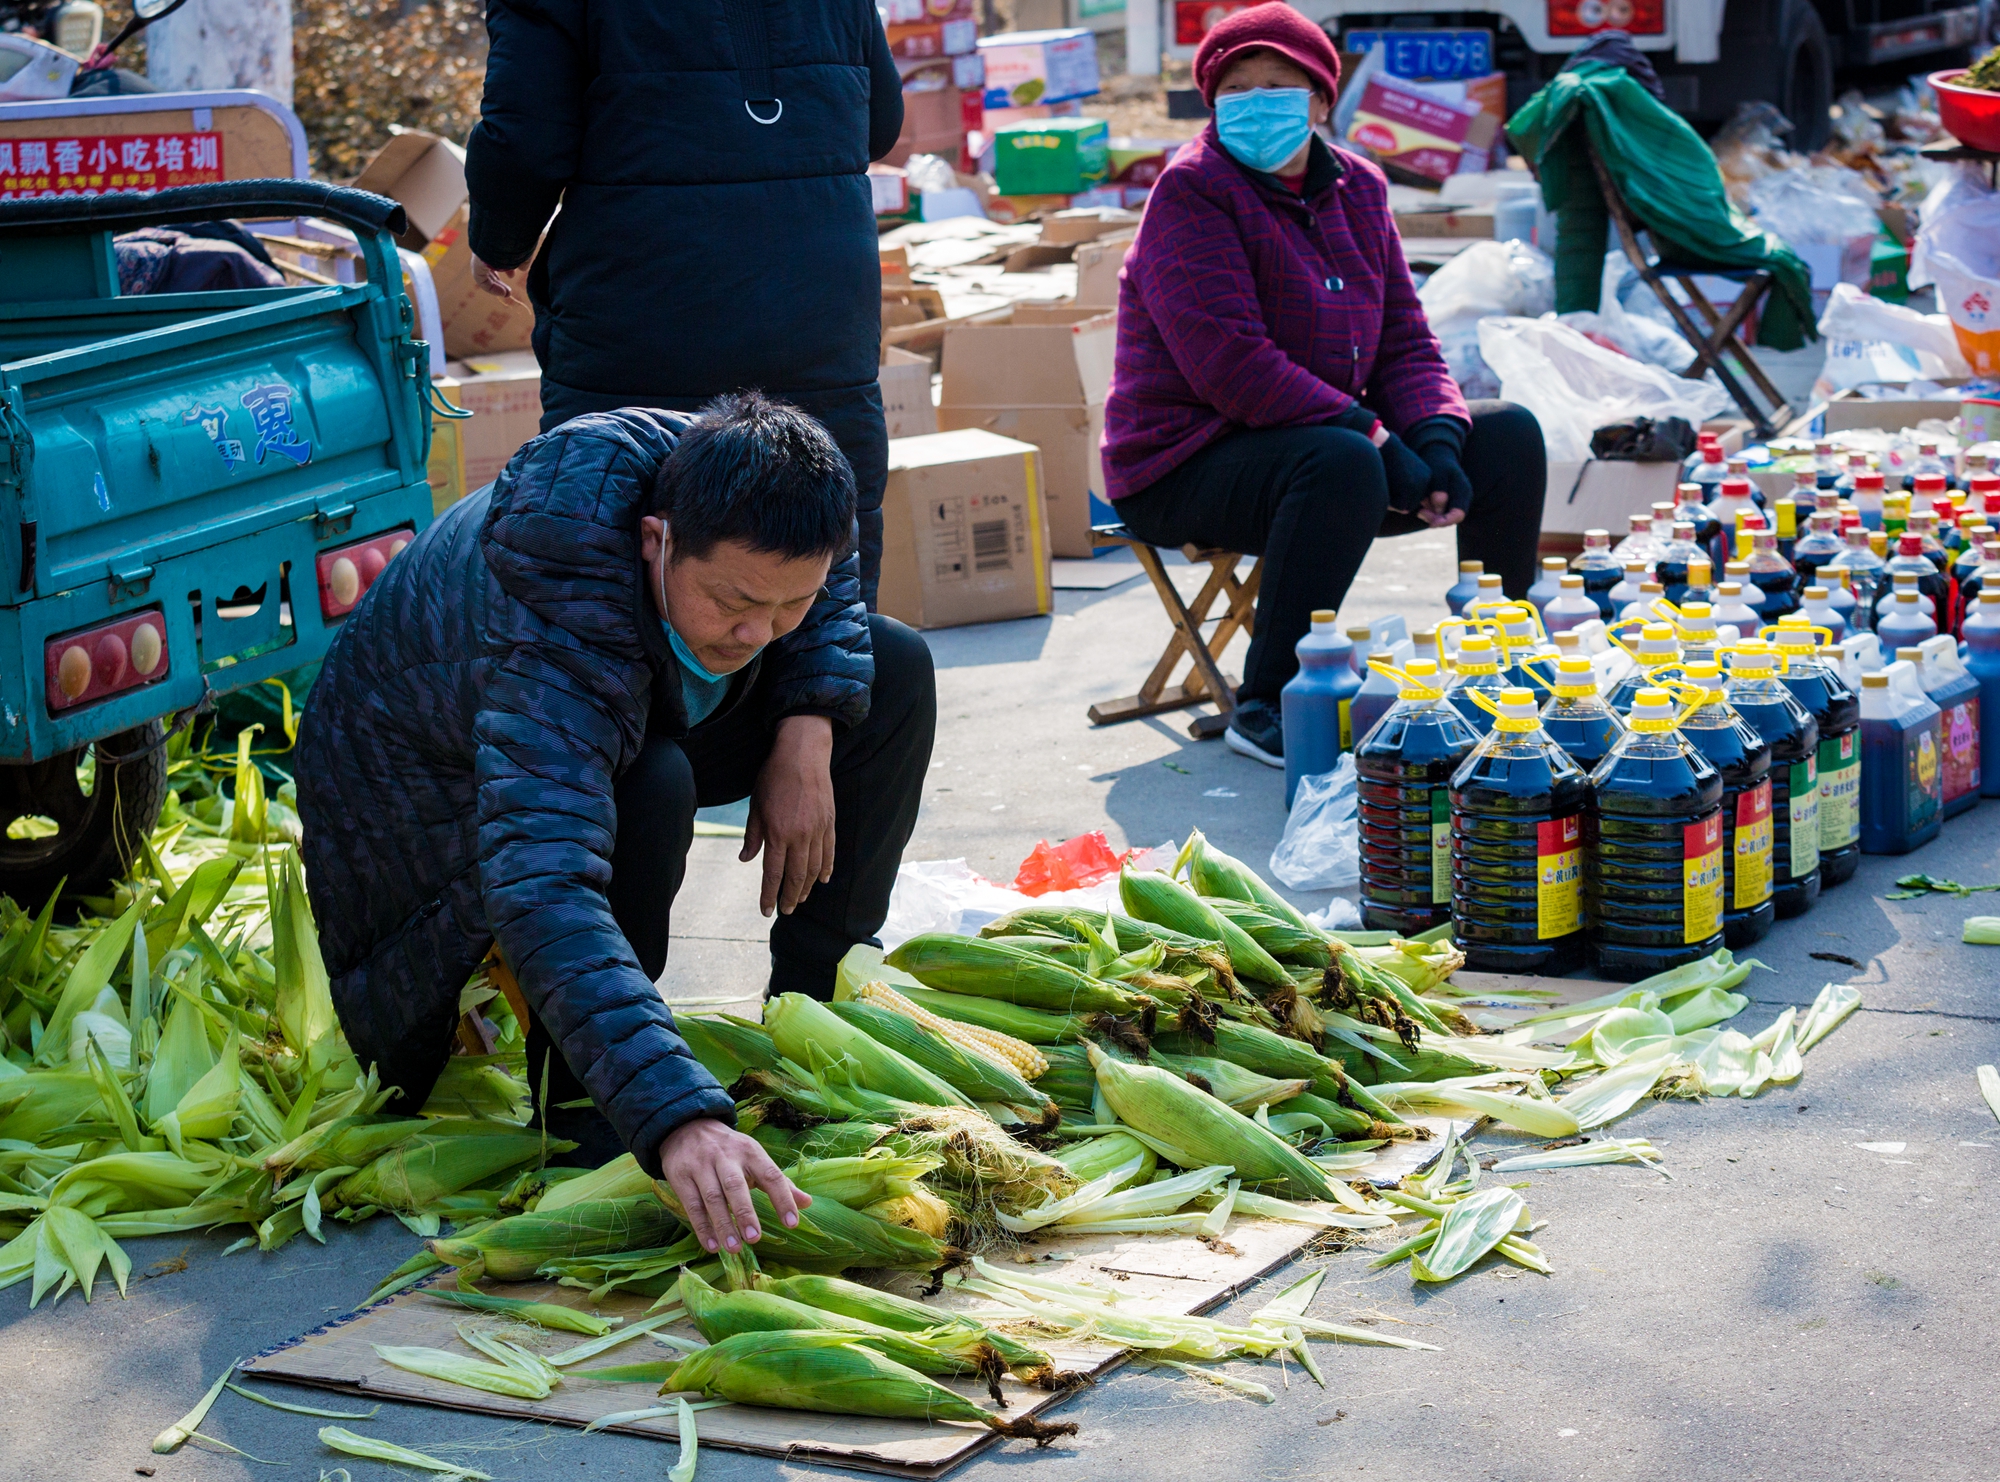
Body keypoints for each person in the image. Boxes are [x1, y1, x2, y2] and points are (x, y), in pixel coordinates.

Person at [293, 395, 937, 1254]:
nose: (757, 634)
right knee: (650, 784)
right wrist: (676, 1117)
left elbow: (827, 592)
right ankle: (582, 1111)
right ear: (655, 541)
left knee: (892, 671)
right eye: (733, 603)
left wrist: (809, 721)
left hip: (636, 711)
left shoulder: (753, 497)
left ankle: (809, 1027)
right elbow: (546, 884)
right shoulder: (549, 623)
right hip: (434, 801)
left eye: (786, 609)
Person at [1101, 1, 1549, 768]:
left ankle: (1499, 661)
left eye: (1278, 86)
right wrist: (1375, 435)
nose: (1256, 104)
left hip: (1316, 445)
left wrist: (1435, 438)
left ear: (1320, 100)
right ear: (1211, 104)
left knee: (1504, 432)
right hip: (1187, 461)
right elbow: (1233, 367)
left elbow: (1405, 340)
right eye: (1236, 91)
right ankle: (1270, 701)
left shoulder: (1362, 189)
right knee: (1344, 460)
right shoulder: (1192, 192)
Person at [462, 0, 905, 605]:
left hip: (644, 314)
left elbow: (526, 141)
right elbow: (879, 122)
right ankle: (815, 702)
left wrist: (498, 242)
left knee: (614, 572)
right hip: (818, 306)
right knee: (816, 579)